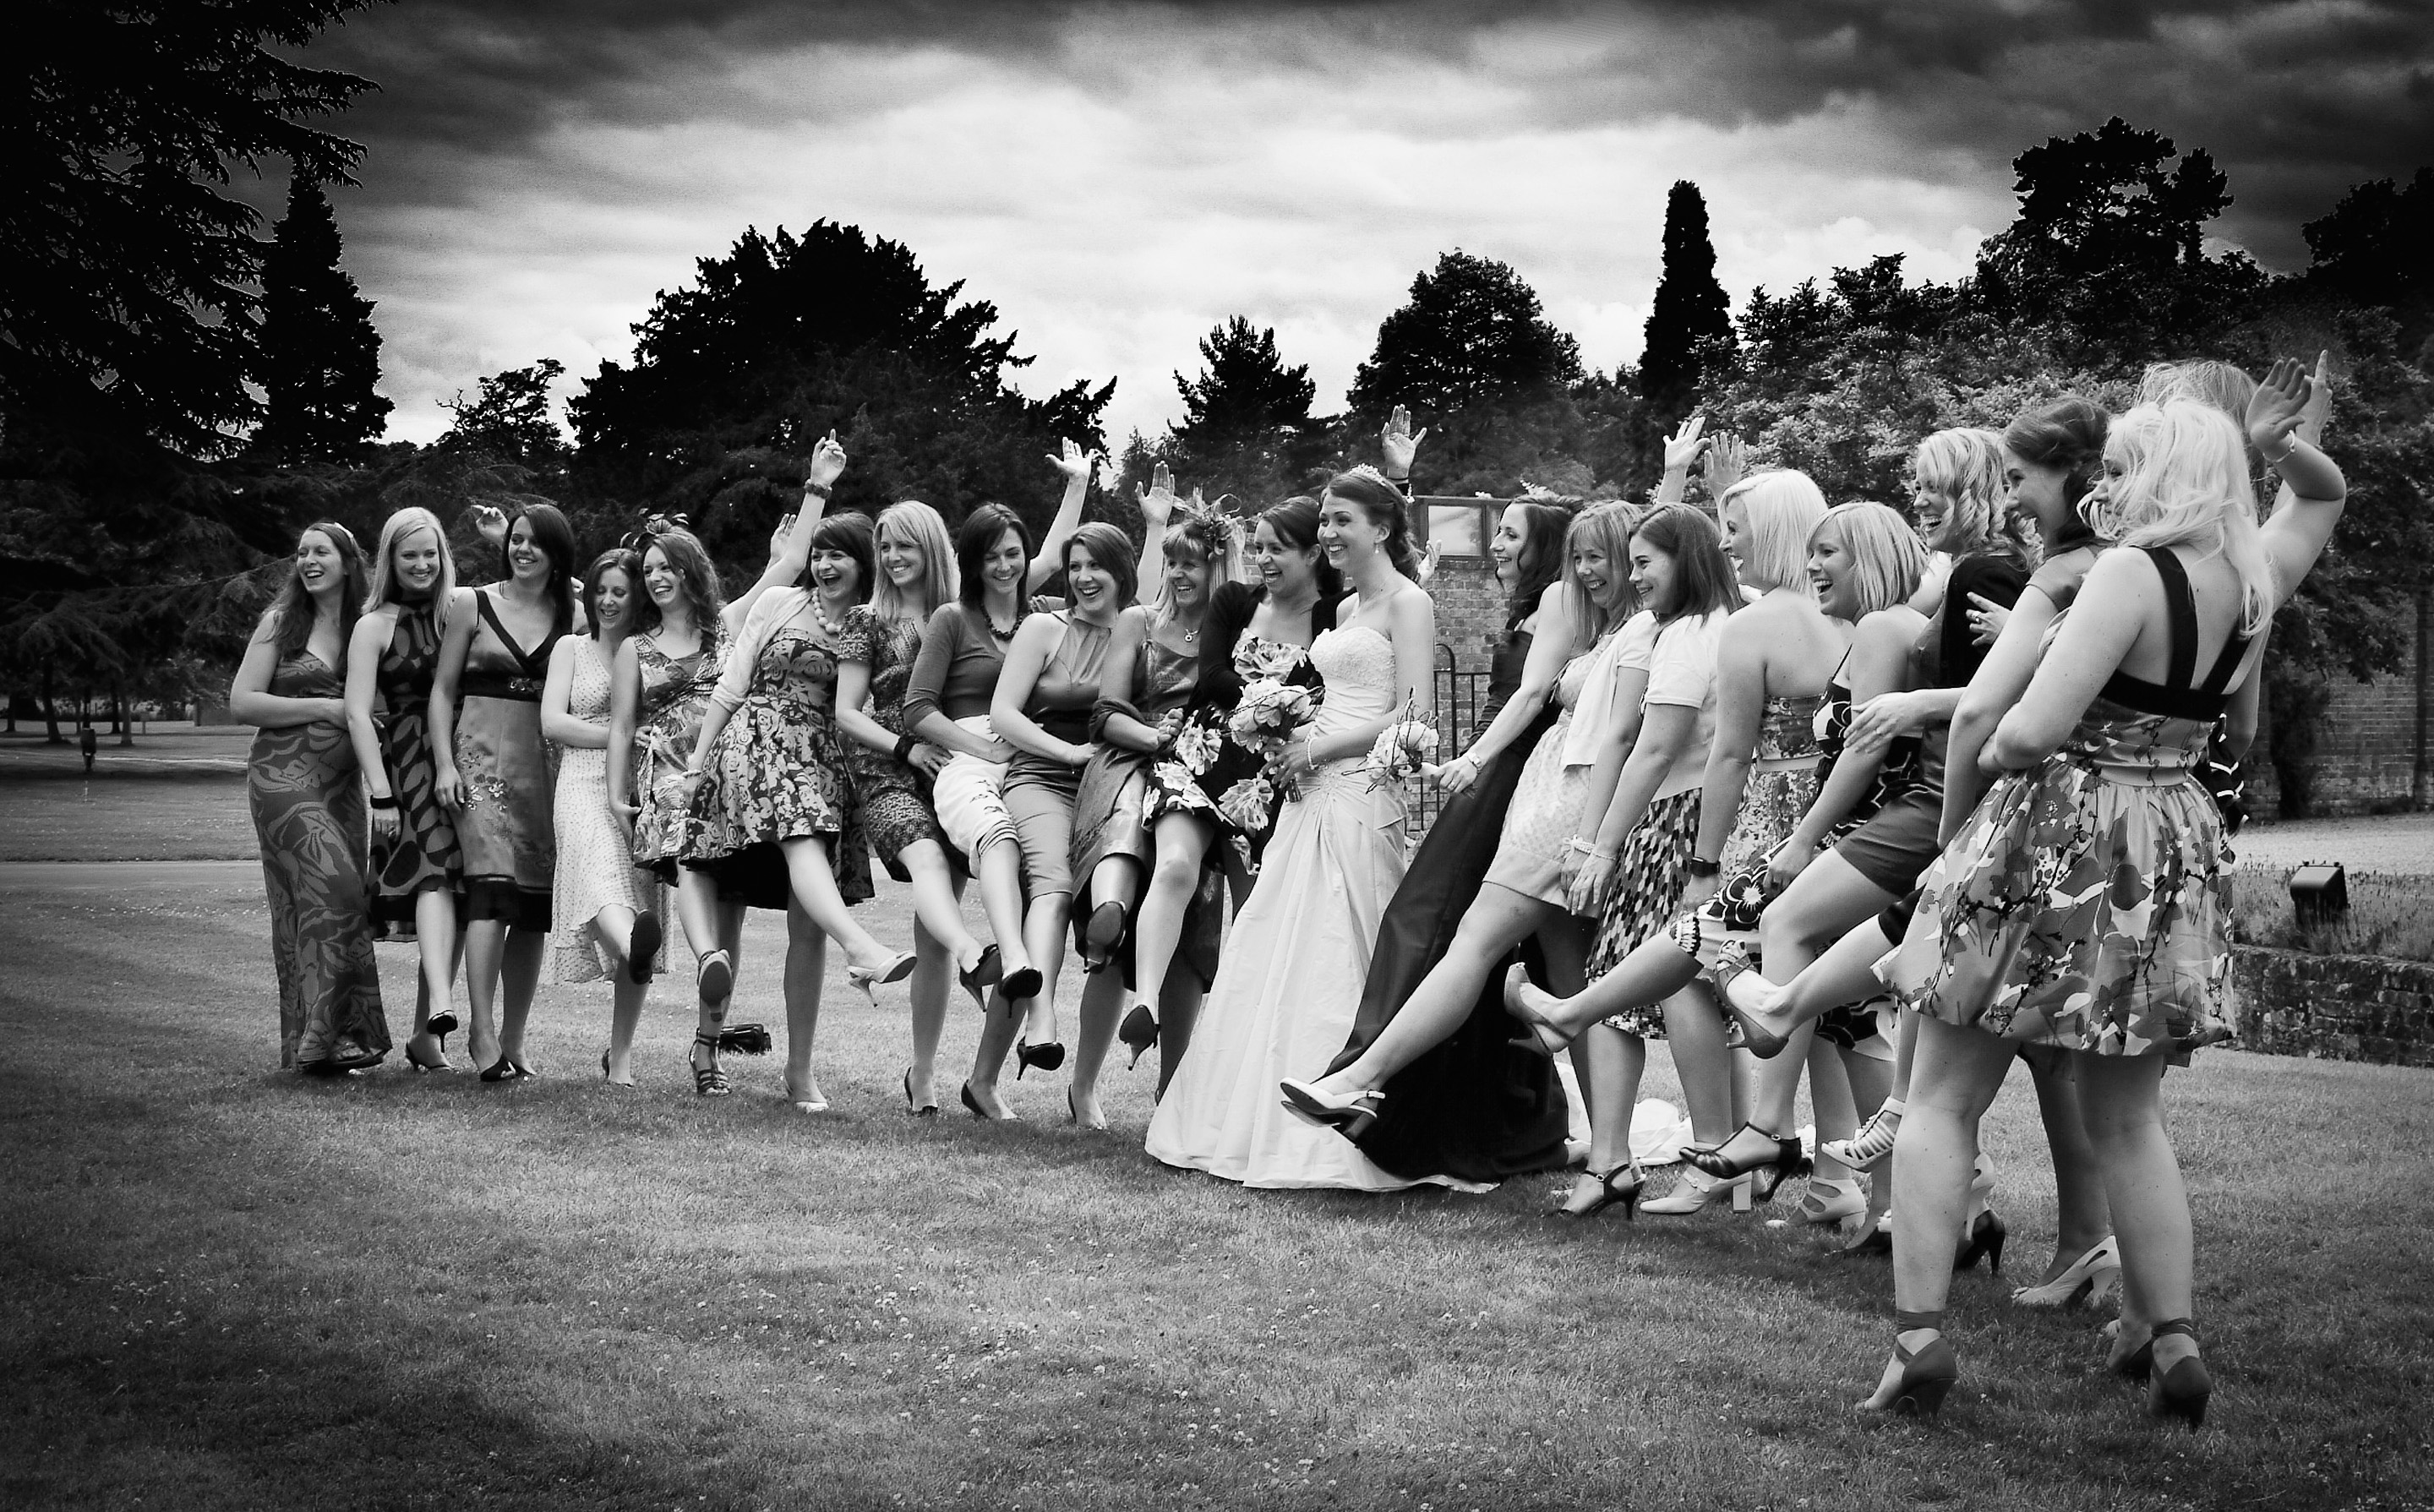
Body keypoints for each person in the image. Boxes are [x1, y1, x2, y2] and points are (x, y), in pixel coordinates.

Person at [1859, 368, 2347, 1426]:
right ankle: (2170, 1339)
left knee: (1941, 1091)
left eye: (2123, 468)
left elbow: (2026, 731)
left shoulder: (2130, 574)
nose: (2104, 489)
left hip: (2062, 832)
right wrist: (2279, 448)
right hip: (2169, 834)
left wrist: (1967, 807)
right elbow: (2323, 498)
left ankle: (1919, 1341)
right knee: (2130, 1116)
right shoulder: (2252, 574)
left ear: (2168, 475)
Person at [1499, 474, 1865, 1215]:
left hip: (1762, 820)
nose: (1729, 542)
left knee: (1706, 968)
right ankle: (1838, 1178)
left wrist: (1696, 860)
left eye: (1739, 526)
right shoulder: (1856, 619)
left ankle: (1729, 1152)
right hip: (1839, 817)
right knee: (1837, 1002)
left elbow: (1710, 752)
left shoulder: (1748, 626)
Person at [1686, 429, 2033, 1196]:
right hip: (1931, 816)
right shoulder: (1931, 599)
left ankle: (1770, 1131)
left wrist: (1805, 836)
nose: (1920, 500)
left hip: (1931, 814)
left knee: (1764, 935)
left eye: (1934, 485)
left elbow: (2005, 703)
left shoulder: (1974, 580)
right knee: (1872, 1012)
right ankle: (1923, 1202)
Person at [1145, 466, 1438, 1189]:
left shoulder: (1411, 603)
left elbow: (1416, 713)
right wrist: (1283, 729)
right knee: (1276, 944)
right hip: (1306, 792)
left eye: (1343, 521)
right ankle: (1257, 1117)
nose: (1332, 532)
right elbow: (1325, 697)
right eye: (1328, 520)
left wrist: (1319, 747)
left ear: (1384, 529)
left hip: (1358, 790)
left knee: (1351, 939)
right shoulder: (1341, 616)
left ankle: (1367, 1104)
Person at [1297, 482, 1577, 1185]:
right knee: (1529, 967)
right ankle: (1540, 1132)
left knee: (1422, 923)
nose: (1497, 545)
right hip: (1496, 778)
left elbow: (1529, 696)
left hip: (1507, 780)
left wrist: (1474, 759)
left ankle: (1363, 1081)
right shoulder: (1539, 607)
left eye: (1511, 533)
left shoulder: (1558, 601)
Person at [676, 447, 914, 1105]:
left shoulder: (869, 626)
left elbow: (866, 702)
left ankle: (800, 1069)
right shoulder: (779, 602)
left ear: (863, 566)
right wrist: (697, 760)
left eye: (839, 555)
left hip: (822, 761)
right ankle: (711, 1042)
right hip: (755, 743)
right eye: (820, 552)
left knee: (806, 918)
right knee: (724, 896)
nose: (825, 564)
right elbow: (729, 687)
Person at [608, 508, 826, 1099]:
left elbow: (789, 564)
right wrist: (614, 791)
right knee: (690, 860)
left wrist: (817, 490)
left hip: (731, 778)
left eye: (666, 567)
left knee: (731, 910)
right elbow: (624, 726)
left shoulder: (727, 626)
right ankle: (707, 959)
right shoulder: (635, 647)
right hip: (669, 779)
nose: (656, 578)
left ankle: (707, 1048)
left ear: (689, 570)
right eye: (648, 570)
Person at [1064, 499, 1236, 1126]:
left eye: (1192, 563)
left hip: (1203, 783)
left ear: (1217, 566)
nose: (1179, 574)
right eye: (1171, 561)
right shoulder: (1137, 620)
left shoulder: (1235, 632)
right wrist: (1162, 739)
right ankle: (1084, 1086)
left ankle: (1173, 1094)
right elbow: (1105, 712)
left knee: (1193, 933)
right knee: (1114, 935)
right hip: (1131, 763)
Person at [834, 499, 1007, 1117]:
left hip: (952, 768)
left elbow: (1024, 561)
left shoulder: (962, 615)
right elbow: (847, 712)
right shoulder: (865, 619)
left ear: (931, 546)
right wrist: (906, 746)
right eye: (884, 546)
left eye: (905, 545)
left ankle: (924, 1072)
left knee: (930, 931)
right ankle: (972, 952)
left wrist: (1074, 496)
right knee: (929, 865)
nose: (892, 557)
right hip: (885, 768)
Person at [984, 521, 1134, 1119]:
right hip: (1042, 776)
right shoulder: (1045, 627)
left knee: (1110, 927)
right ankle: (1040, 1019)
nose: (1082, 577)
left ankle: (1086, 1088)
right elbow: (1002, 712)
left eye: (1095, 565)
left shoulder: (1136, 630)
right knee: (1052, 886)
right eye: (1074, 566)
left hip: (1110, 784)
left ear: (1121, 571)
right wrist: (1067, 751)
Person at [431, 503, 583, 1081]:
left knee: (533, 907)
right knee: (492, 894)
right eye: (515, 541)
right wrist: (445, 764)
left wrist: (539, 554)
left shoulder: (571, 613)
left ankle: (516, 1039)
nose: (521, 550)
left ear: (556, 555)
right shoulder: (472, 602)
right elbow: (443, 692)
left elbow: (611, 594)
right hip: (478, 764)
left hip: (544, 770)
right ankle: (480, 1030)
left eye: (534, 543)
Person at [230, 521, 389, 1076]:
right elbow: (243, 702)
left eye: (321, 551)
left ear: (349, 561)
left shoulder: (369, 625)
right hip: (283, 780)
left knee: (322, 908)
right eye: (301, 552)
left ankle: (323, 1043)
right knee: (337, 889)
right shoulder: (281, 621)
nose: (308, 560)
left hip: (343, 788)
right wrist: (325, 709)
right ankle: (325, 1038)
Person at [345, 507, 465, 1072]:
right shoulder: (374, 624)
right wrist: (380, 793)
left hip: (465, 759)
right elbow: (356, 712)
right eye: (409, 554)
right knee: (435, 873)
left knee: (455, 894)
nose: (421, 564)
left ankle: (426, 1035)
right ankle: (442, 1002)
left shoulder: (461, 612)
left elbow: (556, 609)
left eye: (430, 553)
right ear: (390, 560)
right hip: (407, 766)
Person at [541, 547, 666, 1086]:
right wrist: (621, 736)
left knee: (633, 893)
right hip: (582, 780)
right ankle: (633, 942)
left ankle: (620, 1057)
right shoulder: (572, 647)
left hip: (639, 786)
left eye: (620, 591)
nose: (609, 600)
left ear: (637, 595)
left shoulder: (652, 651)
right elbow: (553, 722)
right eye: (601, 591)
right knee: (596, 879)